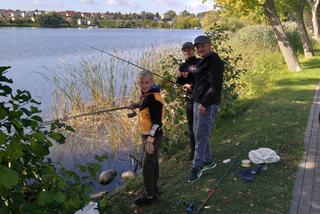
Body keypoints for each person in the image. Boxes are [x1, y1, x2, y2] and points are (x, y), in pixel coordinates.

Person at [187, 35, 224, 183]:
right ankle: (208, 161)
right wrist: (190, 86)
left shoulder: (215, 60)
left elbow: (215, 87)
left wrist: (205, 103)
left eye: (203, 45)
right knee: (197, 133)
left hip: (206, 104)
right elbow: (201, 80)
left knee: (201, 135)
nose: (200, 49)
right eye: (198, 47)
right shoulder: (203, 61)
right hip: (198, 102)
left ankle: (197, 166)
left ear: (210, 45)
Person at [128, 70, 165, 206]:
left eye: (147, 82)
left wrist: (150, 141)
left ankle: (149, 196)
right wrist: (136, 105)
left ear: (152, 82)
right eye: (141, 83)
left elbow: (157, 122)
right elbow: (145, 106)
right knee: (153, 162)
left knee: (147, 166)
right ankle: (154, 188)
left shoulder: (154, 99)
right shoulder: (147, 95)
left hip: (153, 136)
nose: (143, 85)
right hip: (147, 134)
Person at [176, 42, 201, 161]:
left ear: (194, 50)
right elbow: (179, 82)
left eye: (189, 50)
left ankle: (201, 150)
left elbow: (197, 72)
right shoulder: (182, 66)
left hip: (200, 99)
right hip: (189, 100)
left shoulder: (199, 62)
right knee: (191, 128)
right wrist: (183, 82)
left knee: (199, 127)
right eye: (184, 51)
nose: (187, 52)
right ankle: (193, 152)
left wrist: (188, 74)